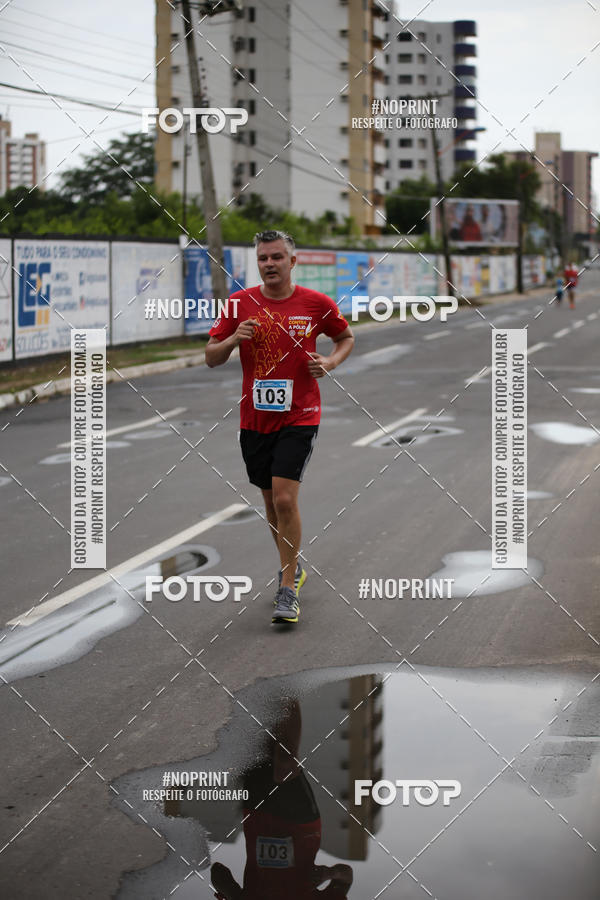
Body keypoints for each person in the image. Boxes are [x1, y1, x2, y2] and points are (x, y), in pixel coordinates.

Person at [205, 230, 355, 625]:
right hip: (255, 420)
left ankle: (288, 587)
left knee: (286, 501)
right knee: (271, 502)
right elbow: (210, 357)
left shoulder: (316, 303)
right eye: (262, 258)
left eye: (276, 257)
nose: (269, 264)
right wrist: (233, 339)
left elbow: (346, 337)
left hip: (300, 415)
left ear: (293, 261)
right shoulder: (239, 304)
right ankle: (294, 565)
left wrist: (330, 363)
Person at [210, 699, 353, 898]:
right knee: (285, 760)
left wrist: (234, 895)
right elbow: (346, 877)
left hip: (258, 817)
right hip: (301, 828)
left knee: (259, 748)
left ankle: (251, 690)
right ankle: (286, 686)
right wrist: (329, 873)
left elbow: (217, 871)